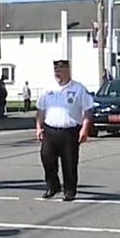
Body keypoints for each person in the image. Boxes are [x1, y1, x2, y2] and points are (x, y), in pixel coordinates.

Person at [35, 59, 94, 202]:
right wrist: (38, 127)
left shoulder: (79, 89)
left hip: (70, 131)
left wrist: (85, 129)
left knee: (69, 162)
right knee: (46, 158)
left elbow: (87, 111)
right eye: (56, 71)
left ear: (68, 71)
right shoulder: (47, 89)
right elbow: (40, 110)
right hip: (50, 130)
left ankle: (69, 190)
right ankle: (53, 185)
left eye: (60, 71)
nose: (57, 74)